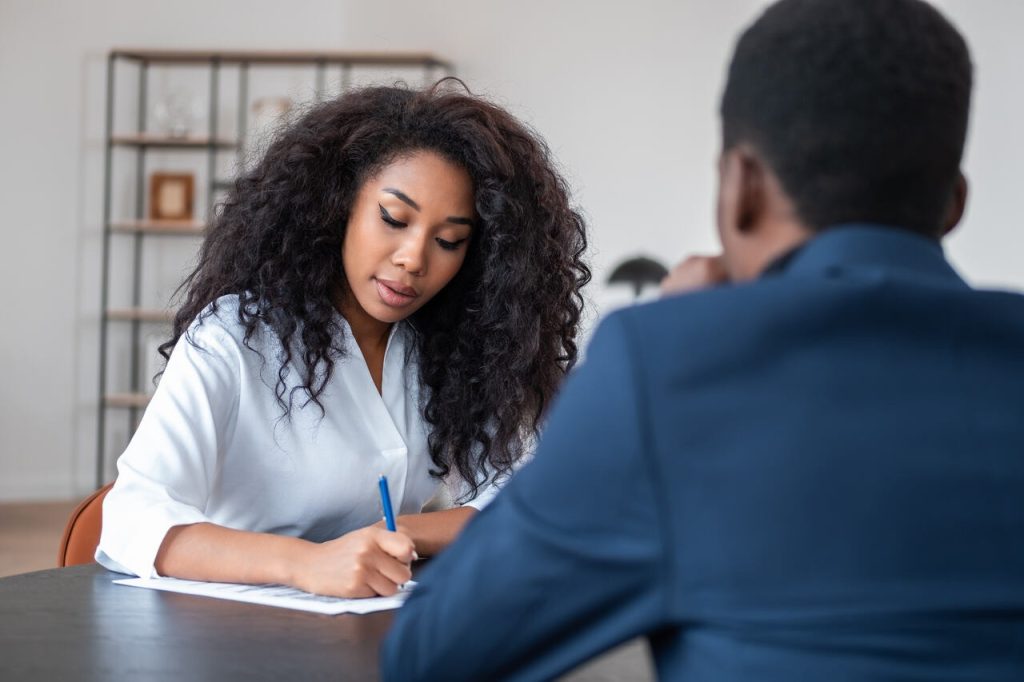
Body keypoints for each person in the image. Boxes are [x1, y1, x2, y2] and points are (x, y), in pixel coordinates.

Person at [381, 0, 1024, 679]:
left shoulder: (670, 369)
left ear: (741, 187)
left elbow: (435, 655)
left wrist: (677, 340)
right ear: (954, 203)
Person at [96, 83, 590, 599]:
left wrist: (401, 532)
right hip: (232, 624)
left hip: (372, 623)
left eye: (449, 241)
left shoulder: (448, 346)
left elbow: (530, 497)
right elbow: (133, 516)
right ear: (338, 205)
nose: (413, 258)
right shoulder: (235, 337)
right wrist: (305, 564)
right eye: (393, 219)